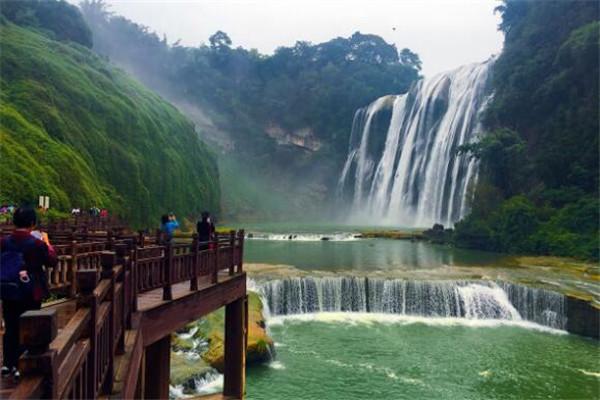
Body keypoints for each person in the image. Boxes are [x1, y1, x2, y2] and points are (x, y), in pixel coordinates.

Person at [1, 206, 56, 379]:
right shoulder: (38, 244)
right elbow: (52, 261)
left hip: (9, 288)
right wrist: (47, 243)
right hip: (31, 290)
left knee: (10, 325)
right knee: (28, 325)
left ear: (14, 222)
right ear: (32, 223)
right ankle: (21, 363)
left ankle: (7, 364)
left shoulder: (3, 242)